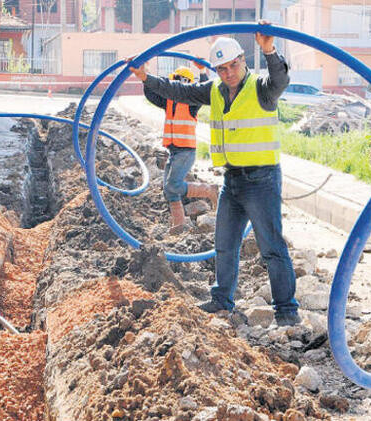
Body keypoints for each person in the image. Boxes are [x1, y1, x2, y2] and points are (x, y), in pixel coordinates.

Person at [129, 22, 301, 326]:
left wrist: (270, 50)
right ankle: (222, 301)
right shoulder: (216, 91)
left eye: (232, 66)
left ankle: (286, 311)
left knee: (272, 247)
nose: (228, 73)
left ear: (243, 61)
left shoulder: (261, 89)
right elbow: (178, 90)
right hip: (232, 180)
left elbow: (281, 79)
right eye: (221, 69)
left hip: (261, 180)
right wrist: (146, 78)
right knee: (225, 244)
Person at [143, 63, 219, 234]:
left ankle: (209, 190)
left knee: (174, 186)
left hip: (186, 151)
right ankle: (178, 227)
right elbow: (150, 93)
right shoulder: (168, 101)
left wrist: (202, 71)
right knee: (169, 191)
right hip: (174, 151)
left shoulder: (192, 103)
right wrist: (144, 76)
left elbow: (204, 91)